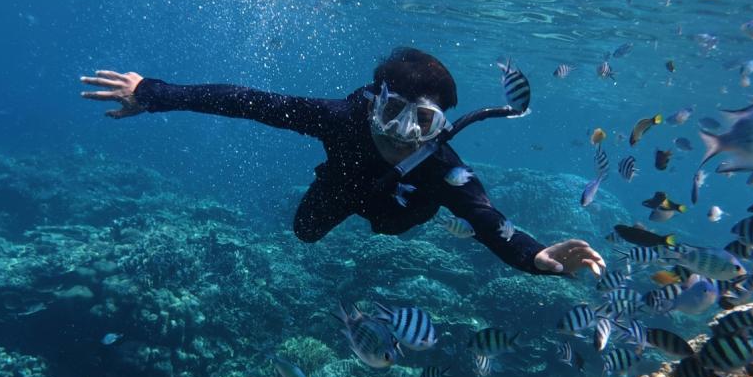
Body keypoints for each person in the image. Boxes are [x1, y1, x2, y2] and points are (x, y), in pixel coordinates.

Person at [81, 47, 606, 277]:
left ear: (440, 125)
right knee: (305, 232)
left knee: (393, 224)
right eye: (394, 111)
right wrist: (154, 92)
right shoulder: (341, 118)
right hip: (341, 185)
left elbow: (487, 220)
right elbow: (247, 101)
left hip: (403, 207)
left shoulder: (439, 164)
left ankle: (401, 207)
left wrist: (536, 258)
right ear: (374, 100)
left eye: (421, 122)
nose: (404, 133)